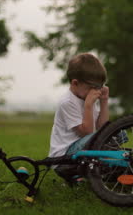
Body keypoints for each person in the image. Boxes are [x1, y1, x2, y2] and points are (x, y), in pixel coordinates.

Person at [49, 52, 110, 184]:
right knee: (103, 136)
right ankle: (82, 172)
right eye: (92, 87)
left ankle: (106, 169)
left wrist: (104, 101)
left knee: (115, 133)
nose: (96, 92)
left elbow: (102, 127)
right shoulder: (67, 102)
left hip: (82, 147)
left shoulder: (85, 96)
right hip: (64, 156)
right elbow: (86, 132)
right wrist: (88, 105)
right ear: (75, 83)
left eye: (99, 87)